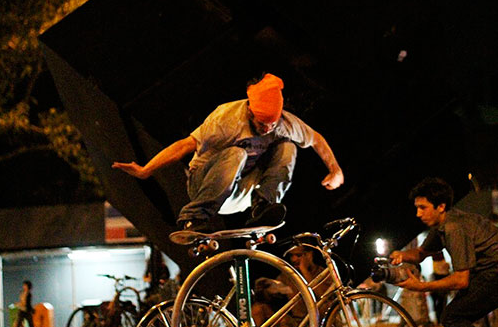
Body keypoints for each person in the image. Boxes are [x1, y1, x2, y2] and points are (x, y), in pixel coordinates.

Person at [112, 73, 344, 231]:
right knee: (237, 154)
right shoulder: (227, 118)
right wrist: (145, 170)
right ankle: (193, 216)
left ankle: (263, 206)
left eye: (271, 125)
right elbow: (184, 145)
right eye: (262, 124)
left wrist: (335, 170)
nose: (267, 129)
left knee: (288, 147)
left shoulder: (284, 123)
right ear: (250, 110)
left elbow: (316, 139)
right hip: (204, 185)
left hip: (240, 191)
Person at [390, 177, 498, 327]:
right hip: (487, 274)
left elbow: (461, 280)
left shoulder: (454, 228)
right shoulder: (443, 225)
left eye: (423, 208)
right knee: (452, 317)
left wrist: (420, 287)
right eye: (416, 208)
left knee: (453, 316)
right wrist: (399, 256)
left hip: (494, 274)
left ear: (440, 207)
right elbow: (420, 254)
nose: (418, 214)